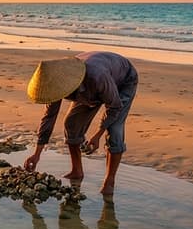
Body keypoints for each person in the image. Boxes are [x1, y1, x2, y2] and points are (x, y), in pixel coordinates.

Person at [22, 51, 138, 195]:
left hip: (123, 80)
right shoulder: (55, 83)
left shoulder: (97, 76)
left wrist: (97, 135)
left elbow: (114, 107)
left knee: (114, 130)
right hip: (89, 89)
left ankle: (109, 180)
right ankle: (77, 170)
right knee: (71, 124)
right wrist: (37, 154)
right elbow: (49, 117)